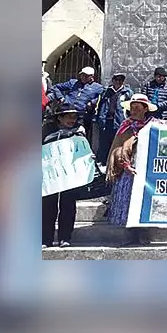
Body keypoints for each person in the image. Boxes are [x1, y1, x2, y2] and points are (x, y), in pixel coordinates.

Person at [106, 93, 155, 246]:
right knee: (130, 202)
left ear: (145, 109)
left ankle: (145, 234)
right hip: (129, 170)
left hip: (148, 169)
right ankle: (133, 235)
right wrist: (125, 165)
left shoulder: (155, 125)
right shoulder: (125, 126)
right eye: (132, 108)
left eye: (137, 108)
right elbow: (118, 148)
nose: (133, 111)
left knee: (146, 201)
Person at [42, 104, 86, 248]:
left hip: (70, 174)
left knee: (68, 206)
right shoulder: (47, 130)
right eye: (68, 116)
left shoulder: (79, 131)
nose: (71, 120)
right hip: (50, 175)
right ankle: (45, 239)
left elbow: (84, 150)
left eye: (74, 117)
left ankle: (65, 237)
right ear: (59, 118)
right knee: (47, 206)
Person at [49, 66, 104, 134]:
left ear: (91, 76)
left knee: (80, 134)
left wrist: (92, 102)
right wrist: (60, 97)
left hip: (82, 115)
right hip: (66, 112)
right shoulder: (73, 82)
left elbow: (102, 96)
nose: (83, 77)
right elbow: (55, 87)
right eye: (82, 75)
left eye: (86, 76)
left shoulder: (98, 87)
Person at [95, 73, 132, 166]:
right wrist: (99, 118)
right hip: (107, 121)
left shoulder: (127, 93)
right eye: (116, 80)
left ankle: (116, 164)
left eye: (121, 80)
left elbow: (130, 109)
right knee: (104, 144)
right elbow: (100, 105)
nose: (118, 82)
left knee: (118, 145)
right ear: (113, 81)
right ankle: (103, 164)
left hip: (120, 122)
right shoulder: (106, 92)